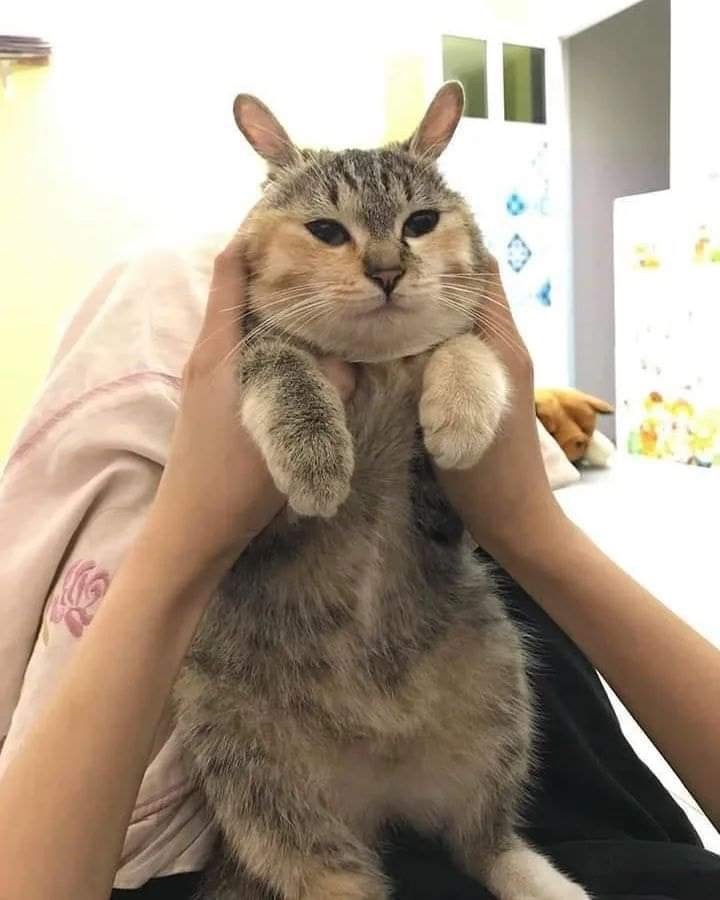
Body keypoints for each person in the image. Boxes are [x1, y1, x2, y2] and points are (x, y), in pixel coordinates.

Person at [0, 235, 719, 900]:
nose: (383, 263)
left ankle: (463, 849)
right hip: (576, 818)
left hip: (365, 701)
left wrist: (181, 545)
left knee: (160, 289)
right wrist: (532, 531)